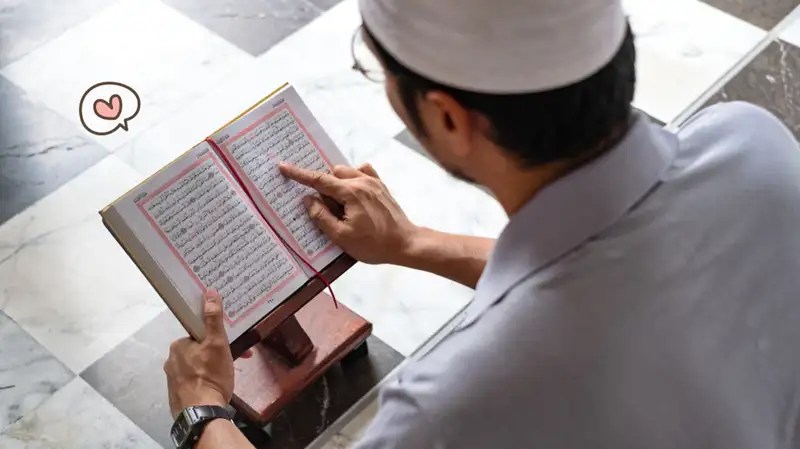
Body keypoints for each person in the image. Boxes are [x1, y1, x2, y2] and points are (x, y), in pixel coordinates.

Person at [163, 0, 800, 447]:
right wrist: (412, 243)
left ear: (448, 118)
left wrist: (203, 413)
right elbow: (615, 262)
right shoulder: (751, 143)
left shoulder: (454, 404)